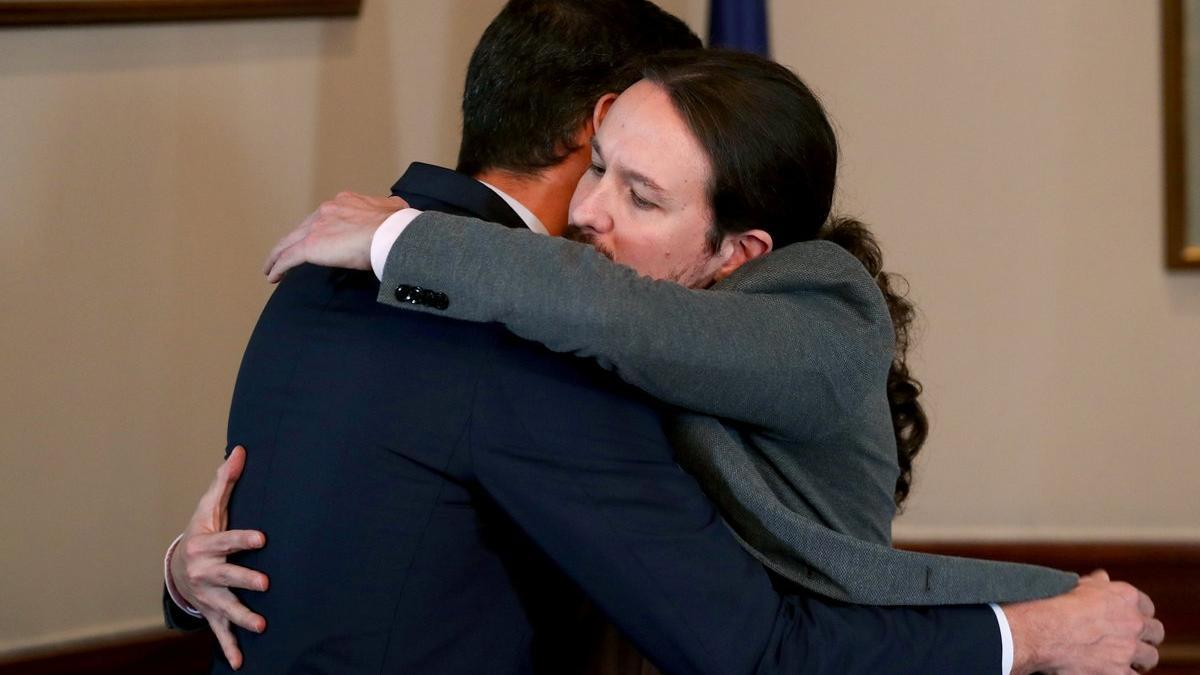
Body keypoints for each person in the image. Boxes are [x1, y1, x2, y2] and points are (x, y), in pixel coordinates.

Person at [165, 3, 1162, 674]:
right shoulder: (495, 326)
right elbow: (744, 647)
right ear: (597, 124)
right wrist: (183, 572)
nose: (598, 215)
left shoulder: (325, 273)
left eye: (639, 189)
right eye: (604, 169)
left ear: (739, 248)